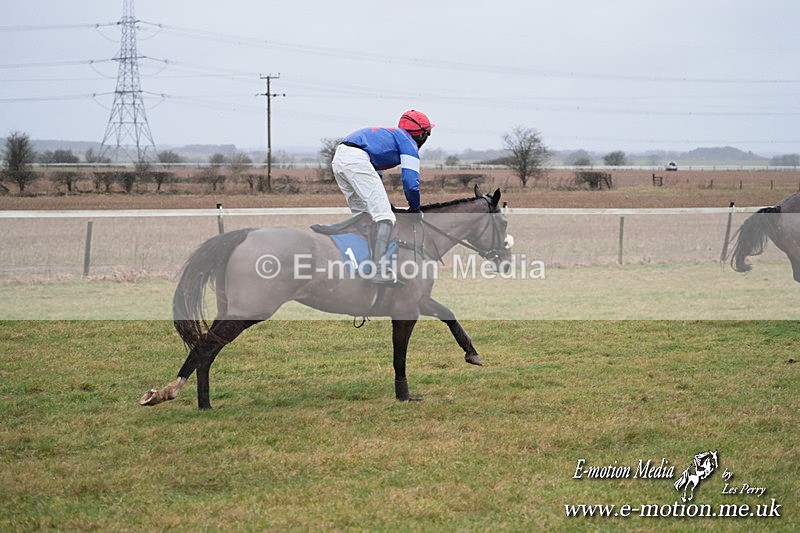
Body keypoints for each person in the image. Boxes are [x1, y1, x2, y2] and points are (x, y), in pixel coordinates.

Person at [331, 110, 434, 285]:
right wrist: (415, 208)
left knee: (365, 218)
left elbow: (374, 174)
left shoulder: (390, 137)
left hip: (340, 158)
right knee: (385, 217)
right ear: (422, 135)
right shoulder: (408, 143)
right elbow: (410, 182)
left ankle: (359, 264)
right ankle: (378, 271)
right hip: (356, 160)